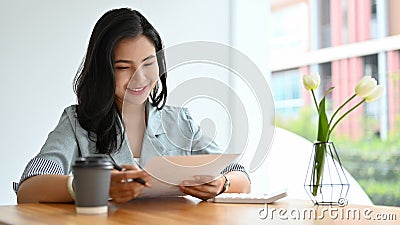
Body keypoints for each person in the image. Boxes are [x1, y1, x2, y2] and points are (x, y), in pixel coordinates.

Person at [15, 8, 251, 204]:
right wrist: (95, 185)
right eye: (122, 67)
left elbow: (240, 175)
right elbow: (29, 188)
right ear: (103, 71)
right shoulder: (77, 123)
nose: (139, 78)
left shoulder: (180, 121)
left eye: (148, 64)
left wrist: (222, 184)